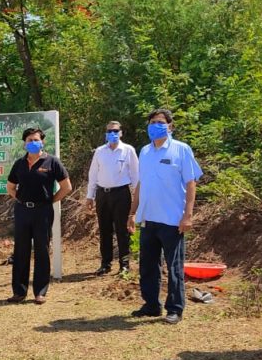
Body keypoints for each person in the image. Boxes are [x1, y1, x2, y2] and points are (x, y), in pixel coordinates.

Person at [128, 109, 203, 324]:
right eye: (152, 122)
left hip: (172, 220)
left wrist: (188, 215)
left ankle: (175, 308)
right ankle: (151, 305)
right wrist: (133, 212)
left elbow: (191, 183)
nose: (155, 126)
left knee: (174, 267)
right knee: (148, 266)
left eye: (160, 122)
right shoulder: (144, 151)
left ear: (170, 126)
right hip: (149, 218)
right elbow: (141, 184)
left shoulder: (181, 149)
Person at [6, 128, 72, 304]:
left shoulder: (52, 162)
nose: (33, 142)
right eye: (29, 140)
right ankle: (19, 292)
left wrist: (51, 200)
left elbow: (67, 187)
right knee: (21, 250)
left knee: (42, 250)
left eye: (36, 139)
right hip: (22, 211)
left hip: (43, 211)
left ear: (42, 141)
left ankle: (40, 292)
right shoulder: (19, 164)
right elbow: (10, 187)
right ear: (24, 143)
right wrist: (19, 199)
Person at [86, 121, 139, 275]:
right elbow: (93, 174)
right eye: (109, 131)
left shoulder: (128, 150)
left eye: (116, 131)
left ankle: (124, 264)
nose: (112, 134)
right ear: (106, 133)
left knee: (123, 230)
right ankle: (105, 263)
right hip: (102, 194)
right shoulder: (100, 151)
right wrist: (90, 196)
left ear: (121, 132)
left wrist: (138, 196)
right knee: (104, 230)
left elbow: (136, 175)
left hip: (121, 194)